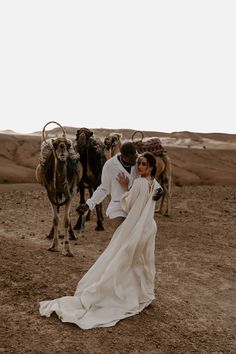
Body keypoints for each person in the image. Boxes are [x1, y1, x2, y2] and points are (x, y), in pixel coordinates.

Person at [39, 151, 163, 329]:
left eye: (143, 164)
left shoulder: (139, 183)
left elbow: (128, 205)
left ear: (150, 167)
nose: (139, 166)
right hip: (149, 228)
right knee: (141, 261)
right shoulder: (155, 184)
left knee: (121, 258)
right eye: (139, 163)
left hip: (135, 227)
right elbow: (154, 197)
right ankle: (141, 293)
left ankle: (119, 291)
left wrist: (127, 188)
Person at [77, 141, 140, 229]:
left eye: (135, 157)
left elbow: (150, 177)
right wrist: (88, 204)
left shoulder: (140, 160)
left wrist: (157, 189)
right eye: (132, 159)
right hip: (119, 206)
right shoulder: (109, 166)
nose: (135, 161)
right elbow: (104, 188)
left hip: (138, 205)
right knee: (122, 232)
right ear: (123, 157)